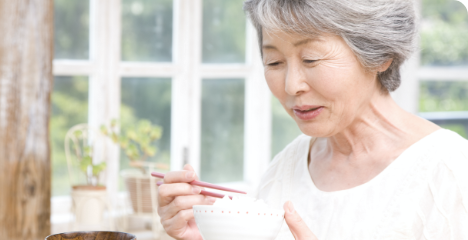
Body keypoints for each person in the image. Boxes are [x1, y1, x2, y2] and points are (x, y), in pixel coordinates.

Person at [156, 0, 468, 239]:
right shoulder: (288, 166)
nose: (291, 85)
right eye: (274, 62)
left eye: (311, 59)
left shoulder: (451, 172)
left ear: (379, 55)